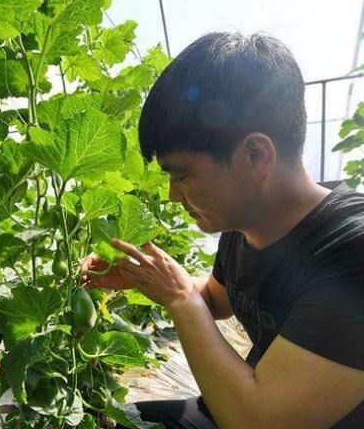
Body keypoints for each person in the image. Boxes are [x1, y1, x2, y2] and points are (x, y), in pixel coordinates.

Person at [80, 32, 364, 429]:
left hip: (260, 415)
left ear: (256, 155)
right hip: (237, 405)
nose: (172, 195)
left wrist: (180, 298)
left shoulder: (352, 252)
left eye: (182, 175)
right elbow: (216, 299)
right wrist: (142, 279)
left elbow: (258, 422)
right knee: (112, 421)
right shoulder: (244, 223)